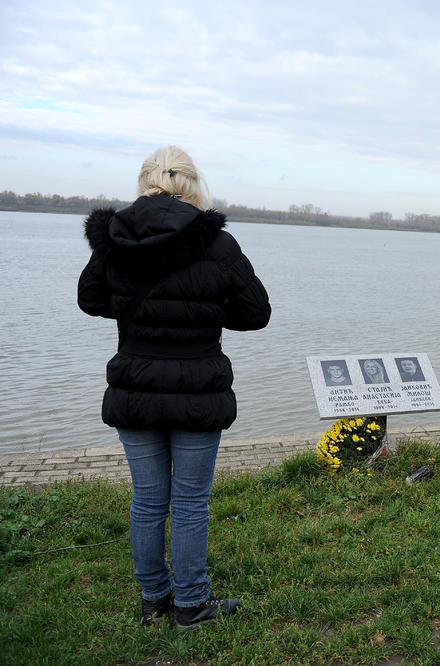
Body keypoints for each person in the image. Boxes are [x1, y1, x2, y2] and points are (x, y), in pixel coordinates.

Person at [77, 146, 270, 630]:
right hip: (197, 391)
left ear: (144, 182)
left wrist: (138, 314)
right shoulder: (218, 243)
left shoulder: (115, 237)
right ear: (192, 185)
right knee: (188, 502)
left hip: (135, 388)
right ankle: (191, 605)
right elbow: (256, 313)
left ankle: (153, 601)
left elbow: (90, 298)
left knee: (147, 500)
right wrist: (201, 313)